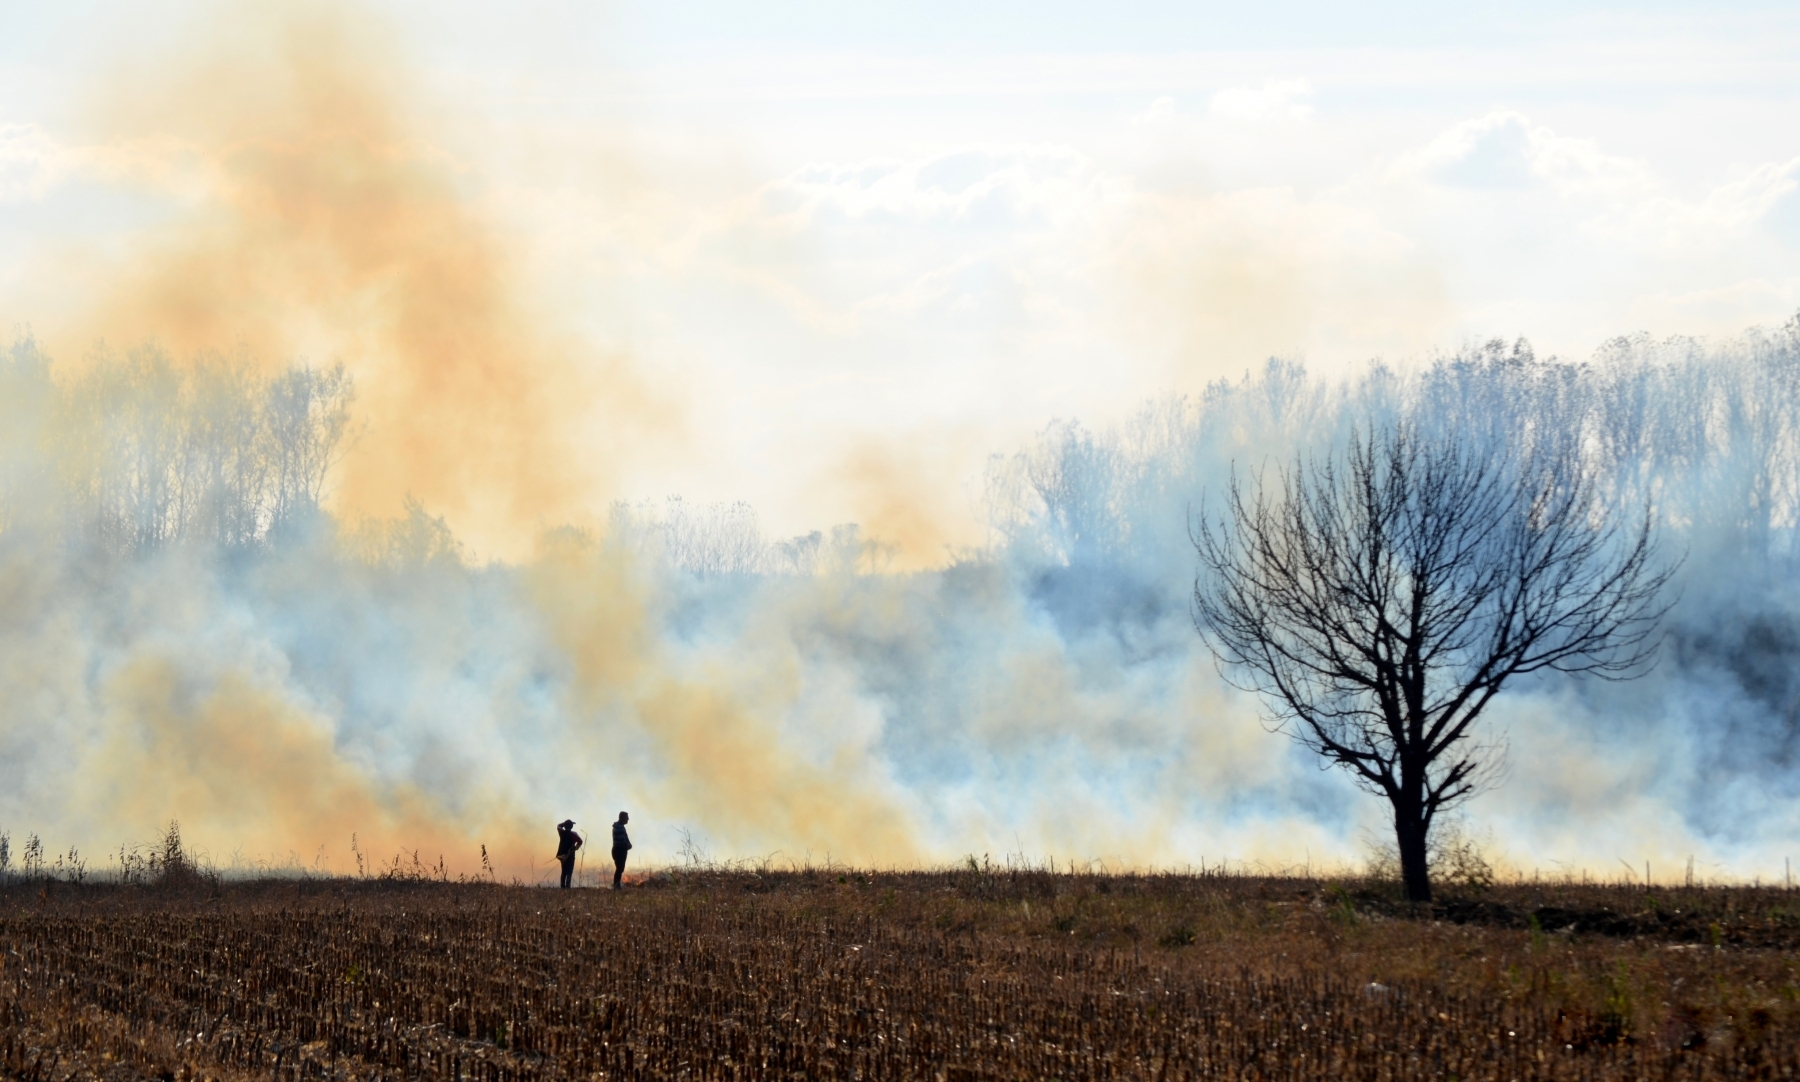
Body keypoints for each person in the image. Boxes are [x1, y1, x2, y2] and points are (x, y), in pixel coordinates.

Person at [555, 819, 582, 889]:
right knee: (569, 871)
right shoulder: (573, 834)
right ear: (572, 826)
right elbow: (580, 841)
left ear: (565, 826)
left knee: (563, 870)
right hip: (570, 855)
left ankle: (562, 886)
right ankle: (567, 886)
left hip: (562, 855)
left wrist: (564, 824)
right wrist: (576, 848)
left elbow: (558, 826)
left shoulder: (561, 832)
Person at [611, 811, 632, 890]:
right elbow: (622, 841)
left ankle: (616, 885)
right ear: (623, 818)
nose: (628, 819)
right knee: (620, 869)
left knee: (619, 868)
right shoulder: (620, 827)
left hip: (617, 850)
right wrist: (628, 846)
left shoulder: (618, 826)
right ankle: (616, 886)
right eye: (627, 817)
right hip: (620, 850)